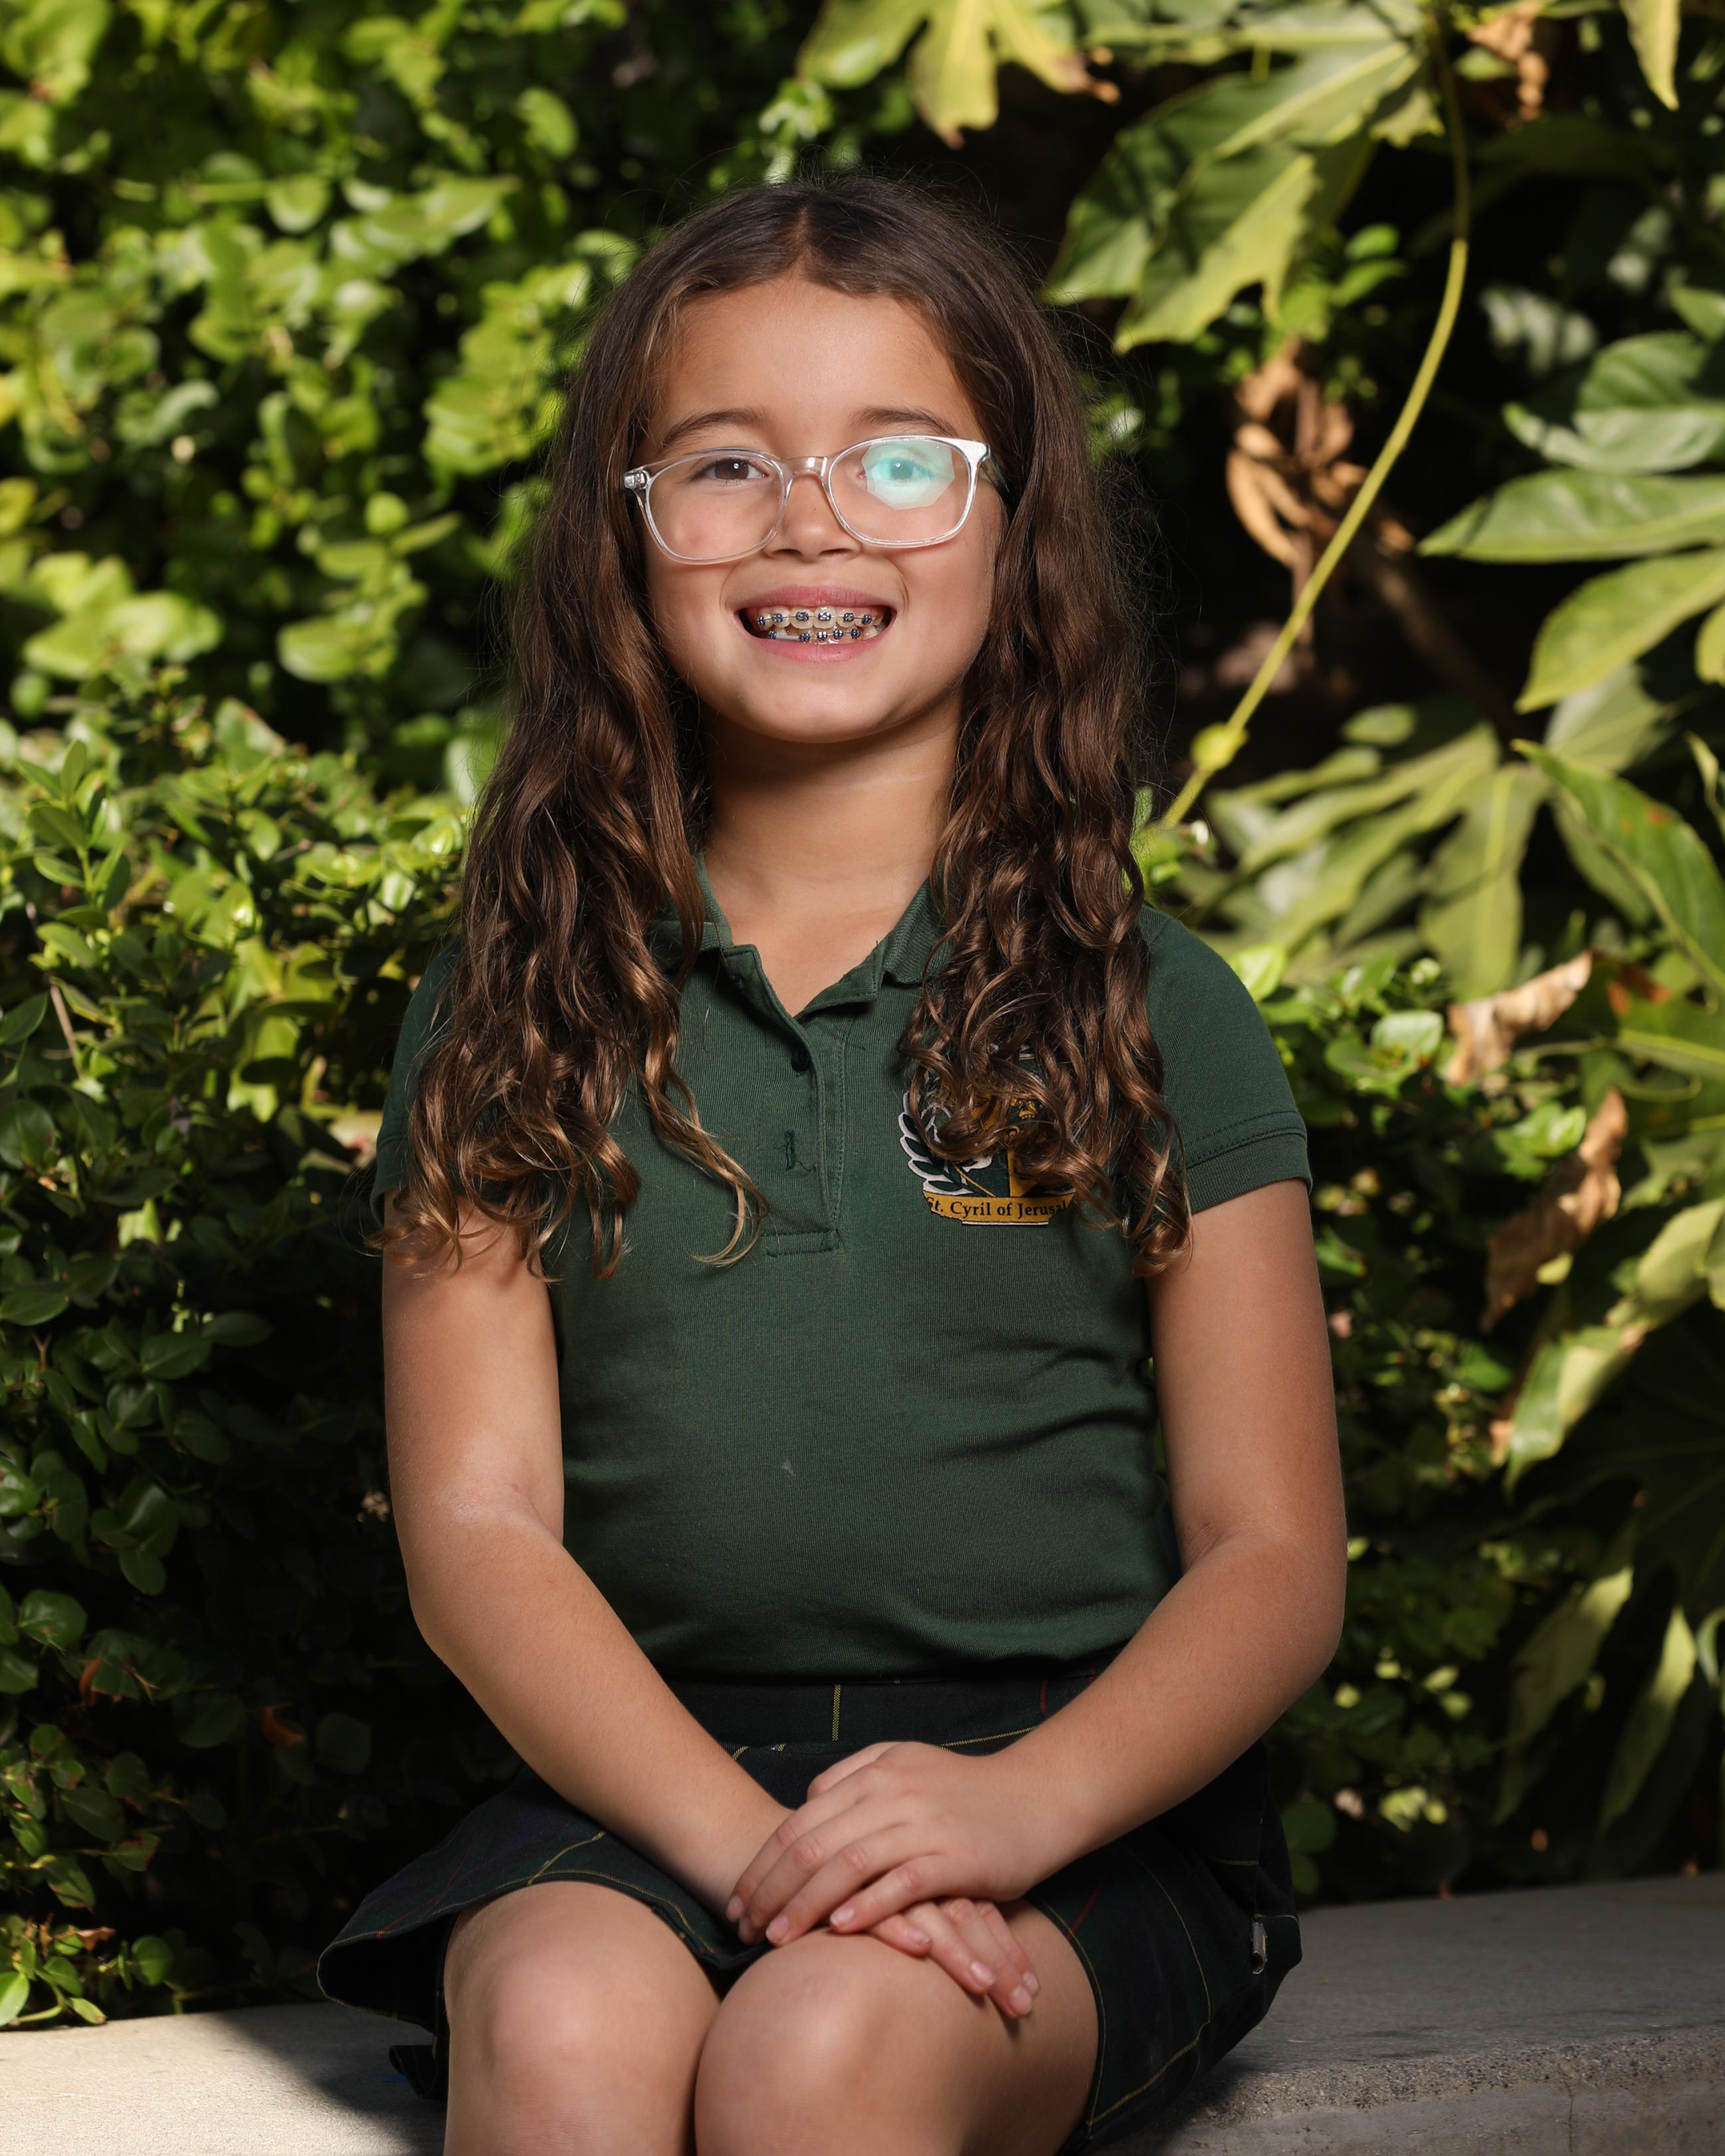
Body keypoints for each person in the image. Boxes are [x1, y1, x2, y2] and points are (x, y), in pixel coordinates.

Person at [315, 167, 1346, 2156]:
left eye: (897, 460)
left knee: (824, 2051)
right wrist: (755, 1848)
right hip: (637, 1787)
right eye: (725, 464)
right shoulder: (510, 1000)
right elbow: (479, 1536)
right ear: (623, 536)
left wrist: (1010, 1811)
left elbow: (1277, 1562)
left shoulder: (1157, 1005)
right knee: (560, 2023)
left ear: (1014, 524)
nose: (810, 520)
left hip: (1074, 1801)